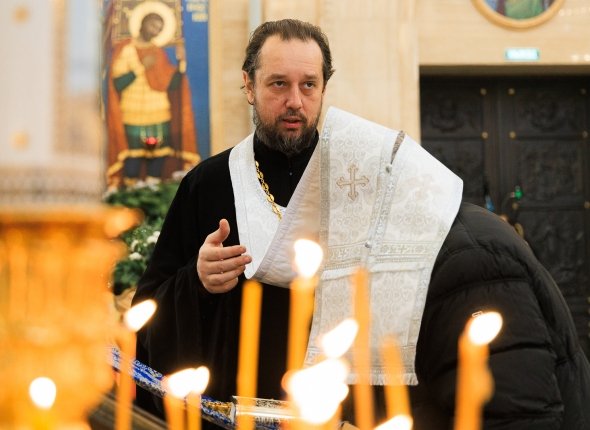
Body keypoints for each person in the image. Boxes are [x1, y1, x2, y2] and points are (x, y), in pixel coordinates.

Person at [132, 18, 590, 430]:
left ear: (324, 88)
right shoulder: (208, 185)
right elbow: (148, 316)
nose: (295, 102)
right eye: (278, 84)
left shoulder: (363, 174)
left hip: (350, 412)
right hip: (242, 407)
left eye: (309, 85)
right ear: (249, 85)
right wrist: (196, 281)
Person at [106, 11, 200, 188]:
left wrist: (181, 63)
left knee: (159, 154)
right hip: (132, 111)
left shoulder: (157, 52)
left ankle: (153, 188)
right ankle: (131, 192)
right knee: (133, 155)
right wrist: (140, 67)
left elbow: (170, 84)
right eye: (153, 26)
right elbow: (117, 83)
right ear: (142, 23)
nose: (155, 31)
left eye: (159, 29)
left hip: (159, 110)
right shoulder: (126, 50)